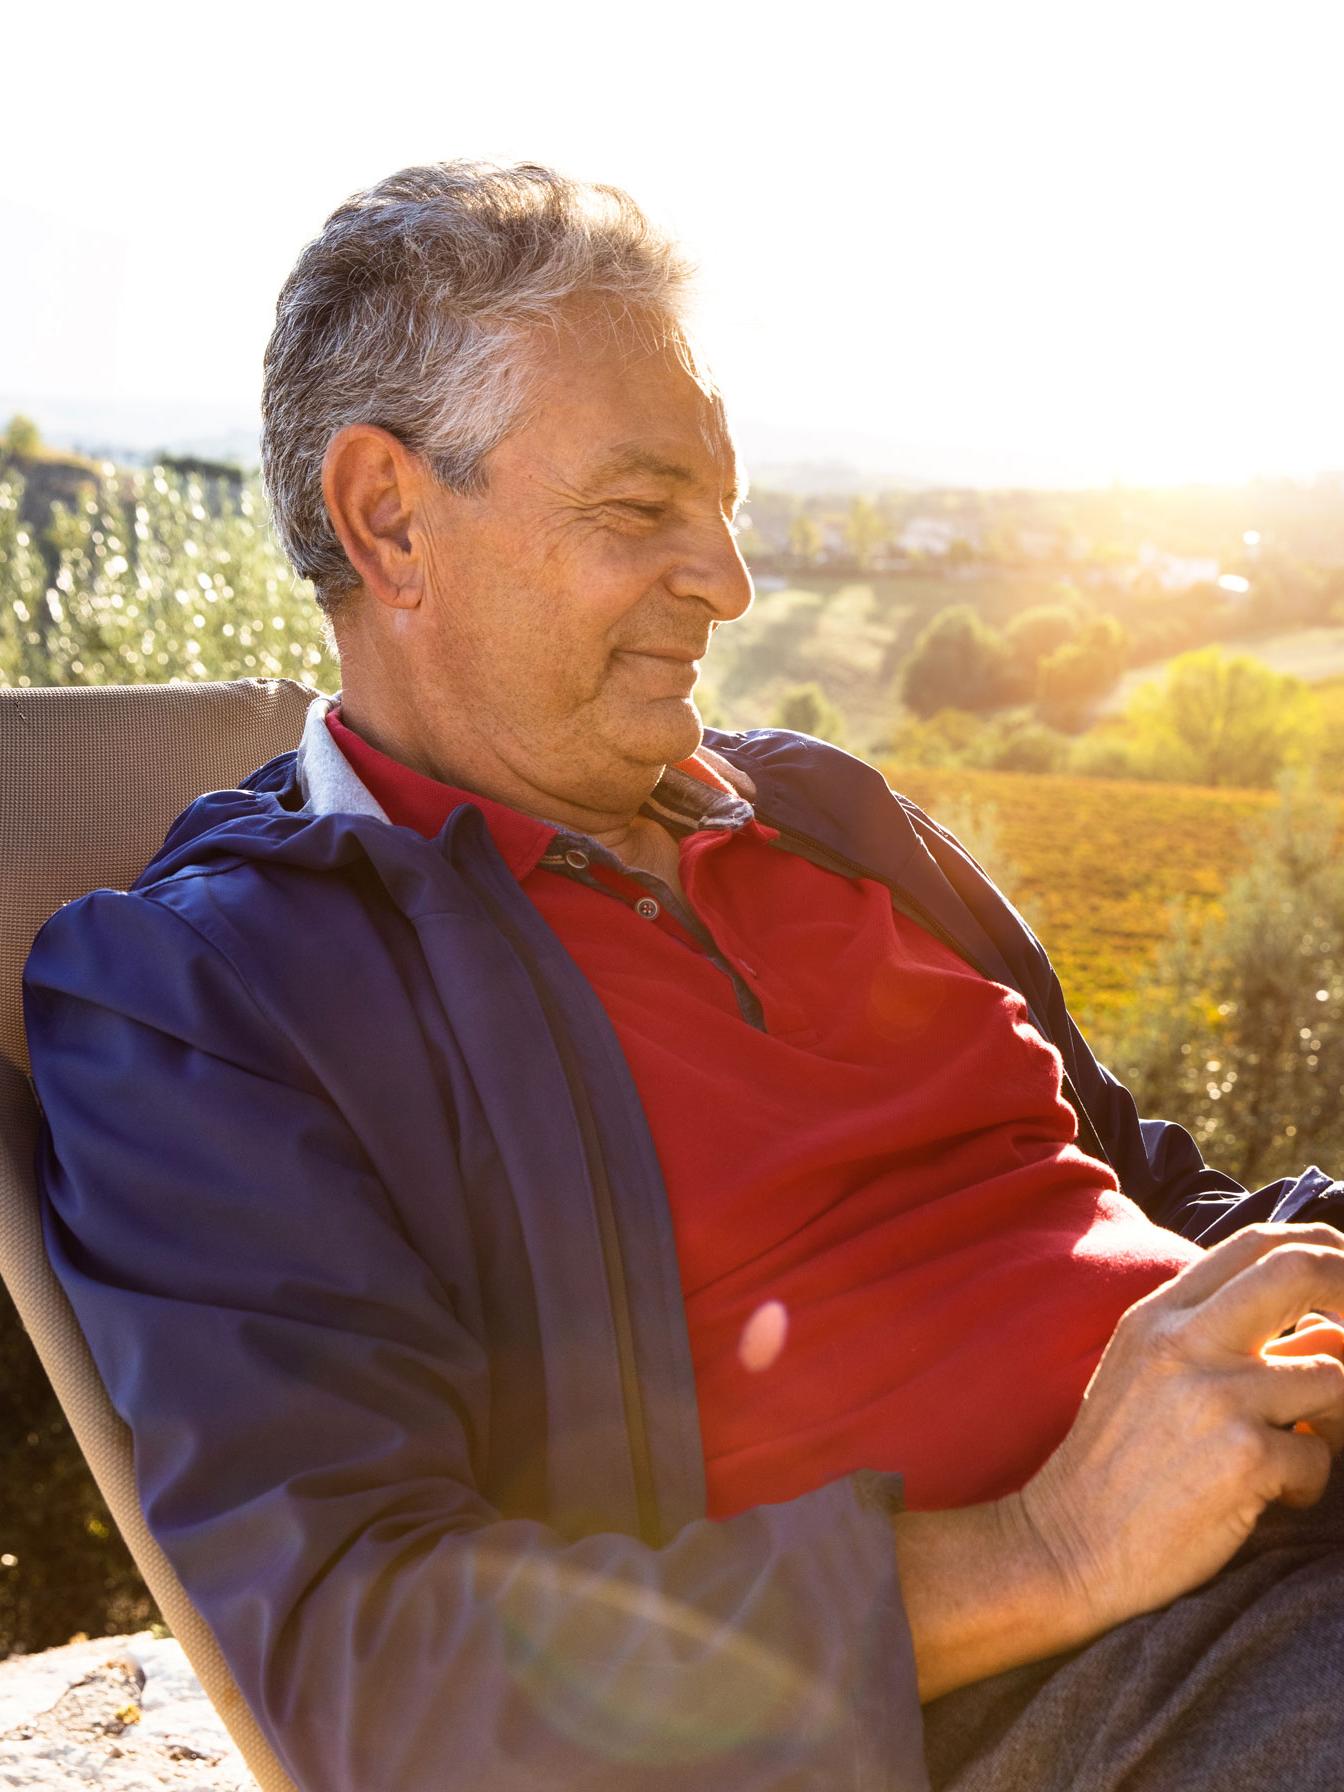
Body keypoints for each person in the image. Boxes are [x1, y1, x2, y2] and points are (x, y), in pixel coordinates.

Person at [21, 161, 1344, 1792]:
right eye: (640, 512)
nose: (725, 580)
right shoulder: (216, 991)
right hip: (1048, 1702)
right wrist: (1051, 1546)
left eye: (717, 507)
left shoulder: (832, 816)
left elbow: (1155, 1197)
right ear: (388, 518)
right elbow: (375, 1665)